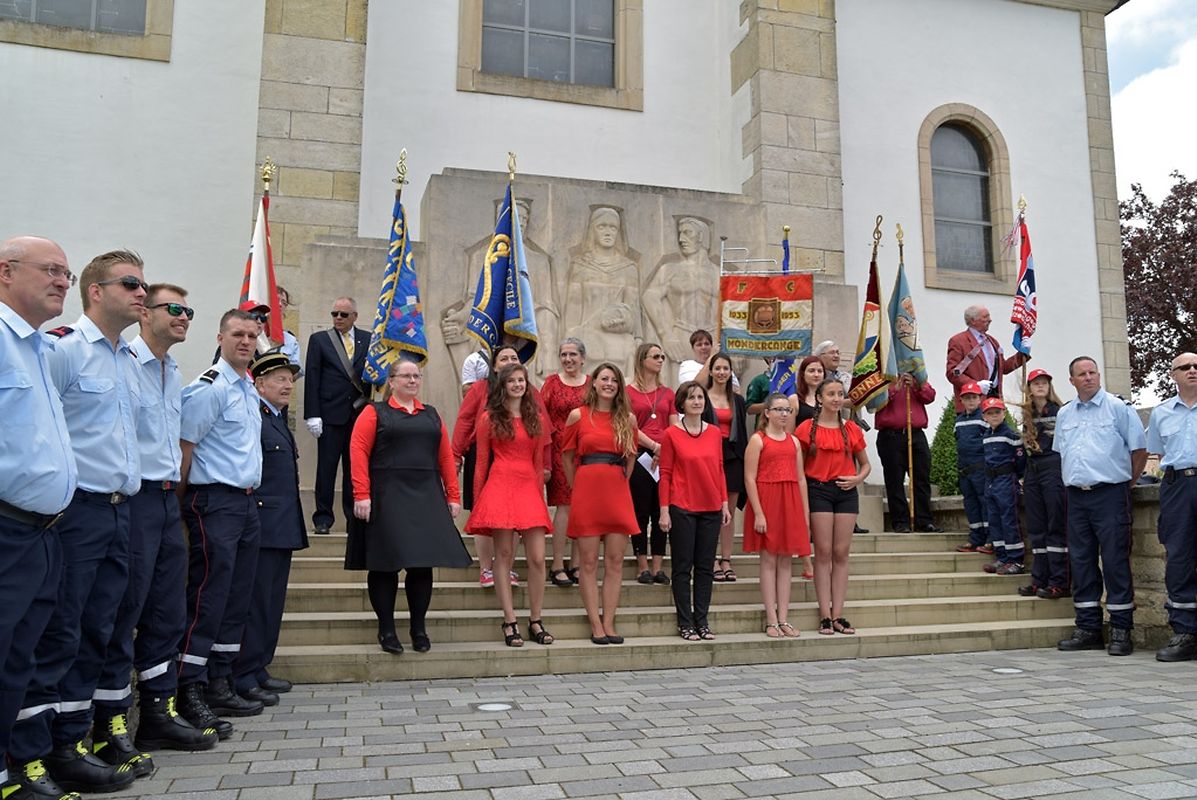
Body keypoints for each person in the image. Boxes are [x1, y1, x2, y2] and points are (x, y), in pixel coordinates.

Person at [11, 250, 146, 795]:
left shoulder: (127, 359)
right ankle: (37, 753)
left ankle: (73, 743)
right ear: (96, 290)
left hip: (119, 509)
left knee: (100, 630)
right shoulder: (63, 350)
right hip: (76, 513)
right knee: (60, 631)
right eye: (131, 283)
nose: (142, 293)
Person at [94, 283, 218, 761]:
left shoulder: (173, 371)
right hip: (135, 498)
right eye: (175, 308)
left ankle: (158, 713)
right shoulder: (125, 363)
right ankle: (109, 723)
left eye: (189, 310)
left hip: (167, 501)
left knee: (167, 612)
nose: (184, 317)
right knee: (126, 610)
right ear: (145, 313)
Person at [0, 237, 78, 800]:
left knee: (20, 661)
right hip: (6, 529)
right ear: (5, 272)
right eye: (50, 270)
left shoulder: (40, 349)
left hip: (42, 533)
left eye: (66, 274)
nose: (62, 282)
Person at [177, 308, 266, 734]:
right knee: (208, 596)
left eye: (251, 335)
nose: (245, 342)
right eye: (237, 335)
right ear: (220, 338)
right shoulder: (208, 389)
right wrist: (178, 508)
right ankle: (189, 685)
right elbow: (185, 448)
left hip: (246, 503)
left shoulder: (247, 387)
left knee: (236, 595)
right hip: (214, 501)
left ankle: (220, 679)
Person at [349, 360, 471, 654]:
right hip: (387, 495)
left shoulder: (431, 414)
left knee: (421, 565)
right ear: (391, 381)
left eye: (417, 375)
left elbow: (445, 456)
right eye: (406, 376)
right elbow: (358, 451)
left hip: (425, 495)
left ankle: (418, 629)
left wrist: (453, 495)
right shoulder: (374, 412)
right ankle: (387, 630)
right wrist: (361, 494)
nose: (413, 380)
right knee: (385, 566)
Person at [1054, 356, 1146, 656]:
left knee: (1115, 560)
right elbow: (1062, 453)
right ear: (1072, 381)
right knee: (1080, 561)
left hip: (1110, 494)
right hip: (1076, 497)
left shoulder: (1118, 408)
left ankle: (1120, 630)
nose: (1089, 377)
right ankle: (1088, 628)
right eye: (1082, 374)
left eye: (1093, 372)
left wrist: (1126, 484)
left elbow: (1139, 450)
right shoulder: (1065, 413)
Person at [233, 351, 307, 705]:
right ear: (259, 383)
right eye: (280, 379)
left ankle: (260, 665)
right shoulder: (255, 417)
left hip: (282, 524)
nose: (288, 385)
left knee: (272, 601)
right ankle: (243, 673)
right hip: (262, 524)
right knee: (256, 601)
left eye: (290, 379)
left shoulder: (276, 419)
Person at [466, 363, 554, 646]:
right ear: (503, 386)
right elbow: (481, 464)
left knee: (538, 558)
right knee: (503, 555)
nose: (518, 385)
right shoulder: (489, 418)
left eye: (521, 380)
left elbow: (538, 465)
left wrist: (539, 498)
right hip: (500, 486)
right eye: (512, 381)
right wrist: (479, 503)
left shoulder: (535, 418)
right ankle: (509, 620)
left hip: (528, 488)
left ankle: (536, 620)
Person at [562, 363, 640, 644]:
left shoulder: (627, 419)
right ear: (593, 382)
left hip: (617, 491)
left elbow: (631, 456)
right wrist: (578, 486)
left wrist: (620, 480)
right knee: (588, 561)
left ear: (619, 386)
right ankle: (595, 623)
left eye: (614, 380)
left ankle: (609, 622)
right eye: (604, 379)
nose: (609, 384)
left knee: (616, 560)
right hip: (587, 490)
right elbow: (567, 456)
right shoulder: (577, 415)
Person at [452, 345, 539, 588]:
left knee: (513, 516)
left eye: (514, 357)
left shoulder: (528, 390)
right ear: (494, 366)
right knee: (483, 511)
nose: (509, 361)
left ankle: (506, 567)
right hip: (482, 455)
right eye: (504, 358)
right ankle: (486, 568)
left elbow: (540, 428)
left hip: (517, 458)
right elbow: (464, 420)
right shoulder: (479, 388)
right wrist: (456, 454)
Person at [796, 377, 871, 636]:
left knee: (841, 552)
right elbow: (799, 467)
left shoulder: (851, 428)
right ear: (820, 398)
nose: (837, 399)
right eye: (831, 394)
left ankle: (838, 614)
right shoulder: (806, 428)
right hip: (818, 489)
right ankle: (825, 615)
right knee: (823, 551)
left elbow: (865, 464)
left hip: (846, 491)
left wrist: (857, 479)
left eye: (840, 394)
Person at [658, 381, 729, 641]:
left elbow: (719, 469)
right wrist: (664, 510)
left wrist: (724, 503)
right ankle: (685, 622)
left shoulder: (714, 433)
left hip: (711, 507)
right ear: (682, 403)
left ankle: (702, 620)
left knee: (705, 568)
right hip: (682, 507)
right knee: (682, 567)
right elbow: (665, 473)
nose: (697, 402)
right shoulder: (671, 434)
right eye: (691, 398)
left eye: (700, 397)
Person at [743, 393, 811, 638]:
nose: (784, 414)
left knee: (786, 561)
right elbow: (749, 478)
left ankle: (783, 618)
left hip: (789, 501)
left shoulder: (794, 442)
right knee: (769, 560)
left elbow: (801, 478)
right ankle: (771, 619)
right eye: (779, 409)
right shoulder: (758, 440)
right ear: (767, 413)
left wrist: (804, 512)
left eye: (787, 410)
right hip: (767, 501)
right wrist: (759, 513)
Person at [303, 296, 370, 535]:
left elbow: (372, 377)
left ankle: (354, 520)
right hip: (330, 415)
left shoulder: (368, 339)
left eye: (343, 314)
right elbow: (312, 377)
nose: (338, 318)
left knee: (355, 470)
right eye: (334, 314)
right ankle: (323, 518)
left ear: (355, 317)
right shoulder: (320, 340)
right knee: (326, 469)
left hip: (358, 415)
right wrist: (312, 414)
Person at [1146, 352, 1197, 662]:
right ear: (1173, 375)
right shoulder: (1161, 413)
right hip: (1177, 485)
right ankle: (1185, 632)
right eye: (1185, 367)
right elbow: (1159, 454)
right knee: (1179, 556)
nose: (1192, 370)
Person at [540, 337, 590, 587]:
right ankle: (557, 564)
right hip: (560, 452)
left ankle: (577, 563)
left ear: (582, 358)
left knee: (583, 506)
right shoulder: (551, 383)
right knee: (565, 507)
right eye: (564, 355)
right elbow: (540, 419)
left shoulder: (592, 384)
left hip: (587, 452)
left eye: (573, 354)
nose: (568, 359)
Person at [626, 343, 676, 585]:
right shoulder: (628, 392)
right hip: (640, 454)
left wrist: (664, 448)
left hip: (665, 454)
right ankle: (642, 565)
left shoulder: (667, 393)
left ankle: (658, 566)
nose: (660, 360)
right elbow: (628, 425)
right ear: (642, 359)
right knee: (640, 510)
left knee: (661, 510)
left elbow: (674, 426)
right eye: (655, 356)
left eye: (662, 356)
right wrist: (655, 447)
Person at [1019, 368, 1068, 599]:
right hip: (1033, 471)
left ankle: (1059, 581)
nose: (1040, 386)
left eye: (1044, 383)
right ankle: (1039, 579)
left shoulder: (1060, 411)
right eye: (1035, 383)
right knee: (1036, 527)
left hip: (1053, 467)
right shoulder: (1027, 414)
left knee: (1055, 524)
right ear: (1029, 388)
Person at [873, 373, 941, 533]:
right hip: (891, 434)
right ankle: (900, 521)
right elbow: (873, 402)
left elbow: (930, 397)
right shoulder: (881, 376)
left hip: (916, 433)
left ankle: (924, 520)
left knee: (921, 478)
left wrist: (917, 385)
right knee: (895, 480)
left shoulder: (917, 376)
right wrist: (894, 389)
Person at [705, 354, 747, 583]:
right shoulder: (702, 397)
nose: (721, 372)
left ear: (731, 372)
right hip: (709, 457)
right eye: (718, 368)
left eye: (725, 368)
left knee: (728, 512)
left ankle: (726, 559)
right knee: (712, 509)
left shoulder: (737, 400)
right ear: (711, 371)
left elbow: (743, 432)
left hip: (733, 457)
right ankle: (711, 559)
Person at [945, 305, 1029, 412]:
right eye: (985, 317)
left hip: (994, 399)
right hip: (973, 402)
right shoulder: (958, 341)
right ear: (973, 320)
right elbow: (952, 373)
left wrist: (1023, 353)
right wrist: (976, 385)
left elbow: (1003, 368)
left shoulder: (992, 341)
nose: (990, 320)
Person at [979, 397, 1027, 576]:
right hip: (990, 481)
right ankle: (1002, 557)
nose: (994, 416)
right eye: (990, 413)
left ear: (1004, 413)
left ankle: (1016, 560)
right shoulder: (986, 435)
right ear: (984, 416)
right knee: (994, 519)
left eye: (997, 412)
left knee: (1008, 519)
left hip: (1006, 480)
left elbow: (1021, 460)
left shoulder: (1012, 435)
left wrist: (1019, 478)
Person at [953, 382, 993, 555]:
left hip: (980, 469)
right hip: (965, 471)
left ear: (979, 399)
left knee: (985, 503)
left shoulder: (985, 418)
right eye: (967, 398)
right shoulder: (958, 421)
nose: (970, 401)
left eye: (974, 397)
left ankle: (990, 539)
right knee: (970, 504)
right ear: (961, 400)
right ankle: (975, 538)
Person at [786, 355, 824, 430]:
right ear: (803, 374)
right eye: (811, 371)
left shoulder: (828, 398)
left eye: (820, 371)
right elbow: (789, 432)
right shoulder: (794, 399)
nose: (816, 375)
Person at [275, 285, 303, 375]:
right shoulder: (251, 335)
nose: (280, 304)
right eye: (276, 299)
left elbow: (297, 372)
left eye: (284, 303)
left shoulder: (290, 340)